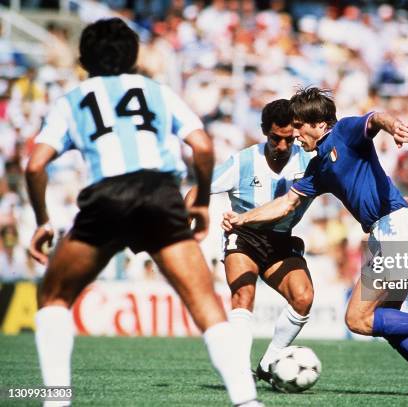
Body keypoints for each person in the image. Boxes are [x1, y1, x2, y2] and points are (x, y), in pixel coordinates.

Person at [25, 18, 260, 407]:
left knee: (54, 296)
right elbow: (201, 146)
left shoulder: (72, 99)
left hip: (107, 196)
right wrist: (200, 199)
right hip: (159, 193)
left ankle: (56, 400)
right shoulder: (157, 91)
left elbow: (34, 166)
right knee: (204, 302)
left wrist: (42, 222)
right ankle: (246, 401)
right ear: (135, 57)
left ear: (83, 60)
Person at [223, 87, 408, 397]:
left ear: (320, 124)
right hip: (394, 229)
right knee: (389, 319)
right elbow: (286, 204)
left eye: (298, 126)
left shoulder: (344, 131)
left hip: (396, 230)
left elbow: (375, 119)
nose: (295, 134)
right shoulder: (318, 166)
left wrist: (394, 127)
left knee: (358, 318)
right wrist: (244, 219)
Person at [186, 99, 315, 387]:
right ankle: (240, 372)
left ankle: (269, 364)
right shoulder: (243, 161)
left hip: (281, 240)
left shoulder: (309, 162)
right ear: (263, 132)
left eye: (288, 139)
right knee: (243, 295)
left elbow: (350, 185)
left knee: (303, 298)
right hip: (244, 236)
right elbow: (198, 190)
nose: (282, 147)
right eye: (274, 139)